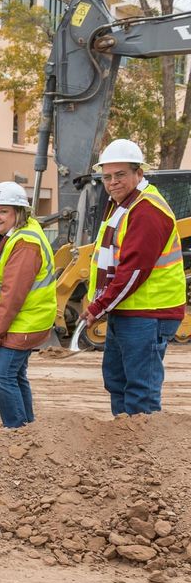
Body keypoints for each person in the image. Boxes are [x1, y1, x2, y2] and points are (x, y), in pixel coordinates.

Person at [80, 139, 185, 415]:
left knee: (140, 391)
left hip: (149, 313)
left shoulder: (147, 210)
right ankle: (123, 437)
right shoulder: (122, 205)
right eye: (107, 177)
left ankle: (143, 442)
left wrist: (100, 305)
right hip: (129, 310)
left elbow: (132, 271)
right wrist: (101, 303)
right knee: (117, 382)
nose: (113, 182)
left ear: (139, 173)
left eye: (120, 174)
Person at [0, 182, 57, 428]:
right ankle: (28, 429)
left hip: (25, 321)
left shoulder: (24, 244)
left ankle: (16, 429)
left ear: (19, 213)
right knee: (16, 374)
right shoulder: (11, 237)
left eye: (3, 211)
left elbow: (12, 298)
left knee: (2, 374)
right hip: (22, 319)